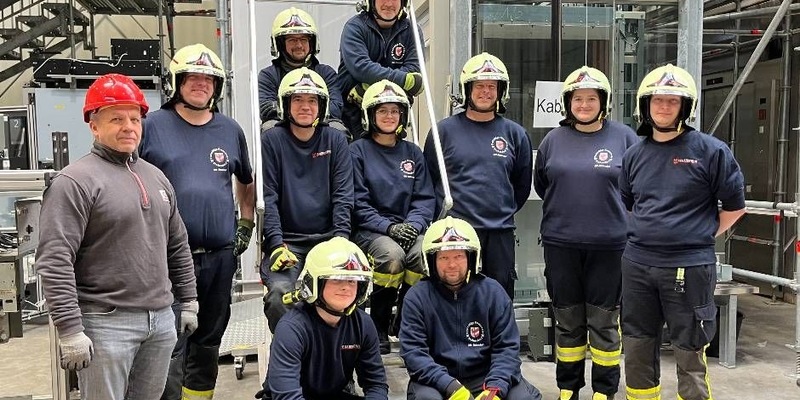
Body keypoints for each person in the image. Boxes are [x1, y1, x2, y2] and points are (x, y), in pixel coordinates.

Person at [36, 73, 198, 400]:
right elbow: (55, 262)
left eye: (135, 119)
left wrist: (189, 299)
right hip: (105, 323)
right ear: (94, 126)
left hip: (160, 321)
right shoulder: (75, 182)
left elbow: (177, 245)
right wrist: (70, 330)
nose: (128, 126)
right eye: (116, 118)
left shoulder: (156, 177)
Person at [619, 64, 746, 400]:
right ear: (645, 106)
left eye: (673, 101)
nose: (664, 107)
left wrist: (698, 234)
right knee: (636, 345)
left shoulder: (711, 151)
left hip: (688, 268)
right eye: (657, 100)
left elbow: (735, 207)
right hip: (637, 265)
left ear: (685, 107)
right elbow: (631, 204)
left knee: (690, 349)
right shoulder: (634, 154)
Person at [139, 43, 255, 400]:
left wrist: (245, 225)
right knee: (170, 339)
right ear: (176, 82)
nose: (201, 84)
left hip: (220, 257)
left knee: (208, 338)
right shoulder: (151, 127)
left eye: (209, 79)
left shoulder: (229, 129)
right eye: (192, 77)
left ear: (217, 87)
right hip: (169, 257)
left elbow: (246, 183)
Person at [533, 66, 638, 400]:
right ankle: (568, 387)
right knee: (568, 320)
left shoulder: (624, 138)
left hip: (610, 247)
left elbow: (638, 189)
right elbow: (542, 183)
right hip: (561, 244)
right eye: (578, 98)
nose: (584, 104)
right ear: (568, 103)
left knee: (605, 322)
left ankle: (604, 390)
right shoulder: (552, 140)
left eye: (591, 98)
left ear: (603, 102)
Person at [423, 52, 532, 299]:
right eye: (480, 86)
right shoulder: (443, 132)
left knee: (499, 298)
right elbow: (429, 181)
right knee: (455, 297)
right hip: (455, 235)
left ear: (501, 91)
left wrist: (500, 209)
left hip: (499, 232)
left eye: (492, 86)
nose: (486, 92)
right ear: (467, 90)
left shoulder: (515, 134)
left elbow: (521, 186)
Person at [400, 217, 542, 400]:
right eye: (444, 257)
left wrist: (495, 389)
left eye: (458, 256)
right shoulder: (417, 297)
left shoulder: (493, 293)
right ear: (431, 260)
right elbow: (414, 354)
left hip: (486, 376)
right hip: (438, 380)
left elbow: (507, 350)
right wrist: (451, 387)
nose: (451, 264)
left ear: (470, 257)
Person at [261, 67, 354, 333]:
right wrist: (276, 244)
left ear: (321, 105)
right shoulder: (272, 140)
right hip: (288, 245)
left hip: (329, 241)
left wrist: (341, 242)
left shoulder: (335, 140)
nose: (305, 106)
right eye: (298, 99)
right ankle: (290, 359)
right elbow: (268, 197)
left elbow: (343, 196)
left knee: (341, 295)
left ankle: (336, 367)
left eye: (312, 100)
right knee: (280, 296)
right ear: (285, 105)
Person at [350, 80, 435, 353]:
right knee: (392, 257)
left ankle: (405, 322)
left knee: (425, 254)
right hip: (371, 230)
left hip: (408, 228)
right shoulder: (357, 152)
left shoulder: (413, 153)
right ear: (369, 116)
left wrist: (414, 225)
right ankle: (379, 326)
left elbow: (424, 198)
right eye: (382, 111)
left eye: (395, 111)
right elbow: (357, 203)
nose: (389, 117)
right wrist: (388, 228)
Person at [255, 237, 389, 400]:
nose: (346, 286)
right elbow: (287, 395)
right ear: (314, 283)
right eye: (336, 279)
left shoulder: (363, 324)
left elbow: (376, 384)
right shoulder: (291, 328)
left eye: (353, 280)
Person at [338, 0, 424, 138]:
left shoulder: (412, 30)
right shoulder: (355, 27)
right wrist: (404, 80)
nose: (389, 4)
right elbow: (361, 67)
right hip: (353, 115)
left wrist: (367, 87)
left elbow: (414, 70)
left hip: (394, 113)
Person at [258, 7, 348, 136]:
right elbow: (266, 109)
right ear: (279, 44)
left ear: (312, 43)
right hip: (284, 134)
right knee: (269, 127)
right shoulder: (268, 75)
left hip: (320, 130)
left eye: (303, 40)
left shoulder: (326, 73)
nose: (299, 45)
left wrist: (306, 120)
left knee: (337, 128)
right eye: (292, 40)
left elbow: (336, 108)